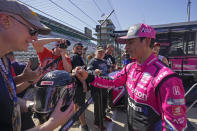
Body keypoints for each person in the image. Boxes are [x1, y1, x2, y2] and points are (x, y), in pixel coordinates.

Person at [74, 23, 187, 131]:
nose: (126, 48)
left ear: (147, 41)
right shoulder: (130, 68)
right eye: (125, 43)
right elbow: (112, 82)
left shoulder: (167, 79)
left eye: (130, 42)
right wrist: (88, 77)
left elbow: (175, 126)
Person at [0, 0, 73, 130]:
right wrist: (51, 124)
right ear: (5, 20)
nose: (34, 38)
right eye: (32, 31)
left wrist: (33, 105)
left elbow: (8, 96)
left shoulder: (3, 59)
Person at [87, 46, 112, 129]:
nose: (101, 53)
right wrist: (94, 71)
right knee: (98, 104)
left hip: (104, 84)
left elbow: (107, 70)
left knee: (105, 102)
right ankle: (97, 122)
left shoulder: (104, 61)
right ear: (96, 53)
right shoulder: (93, 61)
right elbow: (88, 71)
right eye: (99, 52)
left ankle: (103, 116)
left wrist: (111, 70)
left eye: (102, 52)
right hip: (96, 86)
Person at [70, 42, 89, 131]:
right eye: (77, 48)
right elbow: (77, 72)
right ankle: (84, 125)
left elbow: (83, 66)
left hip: (76, 84)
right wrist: (84, 83)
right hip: (78, 84)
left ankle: (75, 119)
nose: (79, 50)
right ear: (73, 49)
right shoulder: (75, 57)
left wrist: (83, 53)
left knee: (76, 103)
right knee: (81, 105)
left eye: (80, 49)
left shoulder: (78, 57)